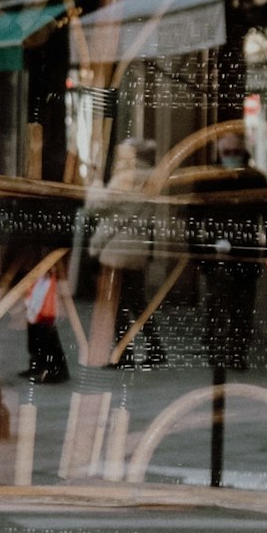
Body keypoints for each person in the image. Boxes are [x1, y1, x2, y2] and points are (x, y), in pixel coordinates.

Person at [188, 133, 267, 371]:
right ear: (219, 154)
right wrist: (198, 252)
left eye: (235, 152)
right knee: (219, 303)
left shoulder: (256, 178)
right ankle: (218, 353)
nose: (232, 157)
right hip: (217, 251)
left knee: (243, 307)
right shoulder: (208, 179)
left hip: (245, 251)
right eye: (227, 153)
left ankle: (237, 353)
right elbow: (193, 216)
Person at [90, 138, 164, 368]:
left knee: (118, 305)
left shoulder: (125, 178)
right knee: (137, 301)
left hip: (116, 250)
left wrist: (94, 185)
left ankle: (124, 354)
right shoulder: (153, 178)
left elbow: (97, 206)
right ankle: (155, 348)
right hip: (137, 249)